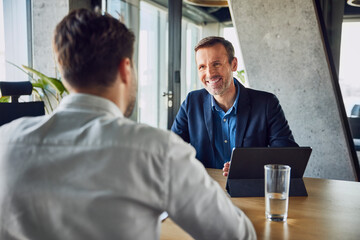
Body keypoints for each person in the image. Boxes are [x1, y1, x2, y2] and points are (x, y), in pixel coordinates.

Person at [0, 9, 256, 240]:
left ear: (63, 70)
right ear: (125, 69)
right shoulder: (158, 151)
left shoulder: (5, 141)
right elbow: (236, 235)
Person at [171, 36, 298, 175]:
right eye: (202, 67)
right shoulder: (192, 102)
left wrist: (248, 167)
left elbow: (288, 156)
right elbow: (170, 149)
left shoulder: (266, 104)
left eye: (216, 64)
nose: (209, 73)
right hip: (205, 190)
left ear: (234, 64)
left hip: (250, 192)